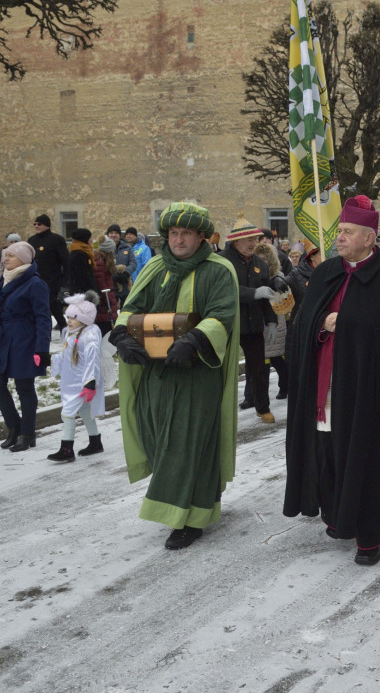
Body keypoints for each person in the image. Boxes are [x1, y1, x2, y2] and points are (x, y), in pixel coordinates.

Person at [284, 196, 380, 566]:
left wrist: (347, 325)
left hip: (371, 394)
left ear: (369, 237)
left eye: (347, 232)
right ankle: (336, 512)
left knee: (366, 455)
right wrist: (320, 324)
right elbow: (302, 324)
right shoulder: (326, 272)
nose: (339, 238)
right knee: (327, 452)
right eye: (339, 231)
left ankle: (369, 534)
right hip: (325, 383)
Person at [110, 203, 240, 550]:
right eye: (173, 234)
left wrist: (195, 339)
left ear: (201, 236)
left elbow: (222, 314)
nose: (179, 240)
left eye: (186, 234)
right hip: (157, 372)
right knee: (157, 435)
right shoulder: (154, 266)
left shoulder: (219, 270)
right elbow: (132, 308)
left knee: (187, 443)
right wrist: (123, 335)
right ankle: (187, 503)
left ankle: (189, 518)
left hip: (197, 373)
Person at [0, 241, 52, 452]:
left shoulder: (35, 283)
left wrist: (42, 348)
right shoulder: (4, 279)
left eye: (11, 256)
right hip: (2, 339)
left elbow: (43, 318)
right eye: (5, 255)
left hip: (25, 341)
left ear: (23, 259)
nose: (6, 259)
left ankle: (27, 433)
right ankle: (14, 426)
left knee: (24, 388)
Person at [221, 216, 283, 422]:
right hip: (228, 323)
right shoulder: (222, 262)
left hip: (254, 324)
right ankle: (220, 410)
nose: (253, 243)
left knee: (259, 368)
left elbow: (268, 297)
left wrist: (272, 321)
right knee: (224, 370)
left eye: (255, 239)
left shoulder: (260, 264)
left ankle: (262, 407)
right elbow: (223, 291)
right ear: (236, 241)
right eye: (248, 240)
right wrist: (253, 293)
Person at [48, 292, 107, 462]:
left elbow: (92, 361)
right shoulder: (71, 333)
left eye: (74, 318)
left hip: (83, 382)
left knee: (67, 414)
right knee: (84, 411)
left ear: (85, 319)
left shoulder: (89, 337)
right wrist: (48, 359)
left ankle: (66, 449)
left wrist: (89, 384)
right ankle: (95, 442)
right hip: (72, 380)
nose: (69, 321)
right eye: (68, 317)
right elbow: (67, 356)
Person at [254, 240, 291, 400]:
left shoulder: (278, 276)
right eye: (260, 258)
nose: (263, 262)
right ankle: (254, 396)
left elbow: (285, 299)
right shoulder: (254, 274)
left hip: (275, 319)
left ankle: (285, 385)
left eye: (266, 258)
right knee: (258, 361)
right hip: (257, 320)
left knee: (276, 358)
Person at [28, 214, 69, 331]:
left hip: (52, 279)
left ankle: (59, 326)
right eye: (35, 224)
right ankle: (51, 327)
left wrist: (66, 279)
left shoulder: (56, 240)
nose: (36, 226)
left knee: (50, 304)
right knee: (40, 306)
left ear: (47, 225)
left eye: (39, 224)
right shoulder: (32, 240)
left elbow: (65, 261)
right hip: (35, 279)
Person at [93, 236, 120, 335]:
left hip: (108, 300)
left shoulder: (103, 261)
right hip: (105, 304)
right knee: (106, 331)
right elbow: (101, 285)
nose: (114, 251)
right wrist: (108, 302)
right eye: (112, 249)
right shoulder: (99, 262)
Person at [105, 224, 136, 304]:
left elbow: (133, 262)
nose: (113, 235)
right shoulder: (103, 248)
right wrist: (113, 275)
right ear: (108, 234)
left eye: (116, 233)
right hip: (110, 286)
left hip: (125, 285)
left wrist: (126, 273)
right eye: (111, 233)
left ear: (119, 235)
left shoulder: (127, 247)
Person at [66, 229, 100, 296]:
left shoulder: (84, 252)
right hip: (82, 293)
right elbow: (83, 275)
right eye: (90, 237)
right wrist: (92, 290)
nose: (92, 239)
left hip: (84, 291)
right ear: (85, 239)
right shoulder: (79, 254)